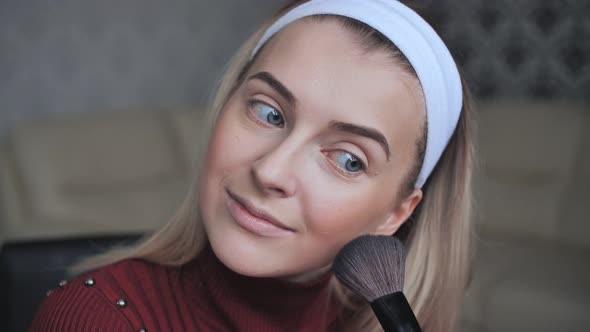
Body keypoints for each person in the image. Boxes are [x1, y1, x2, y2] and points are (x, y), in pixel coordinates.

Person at [29, 0, 475, 331]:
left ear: (395, 213)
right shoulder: (95, 319)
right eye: (269, 113)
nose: (271, 172)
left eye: (346, 160)